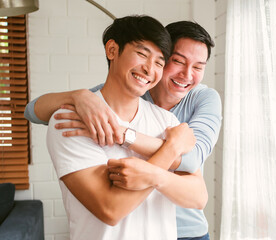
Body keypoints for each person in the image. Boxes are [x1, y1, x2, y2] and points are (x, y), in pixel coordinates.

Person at [25, 20, 221, 240]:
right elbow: (31, 111)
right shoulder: (82, 115)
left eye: (198, 67)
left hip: (189, 229)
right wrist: (76, 96)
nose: (187, 74)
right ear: (112, 50)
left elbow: (193, 167)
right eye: (177, 61)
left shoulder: (180, 113)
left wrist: (125, 138)